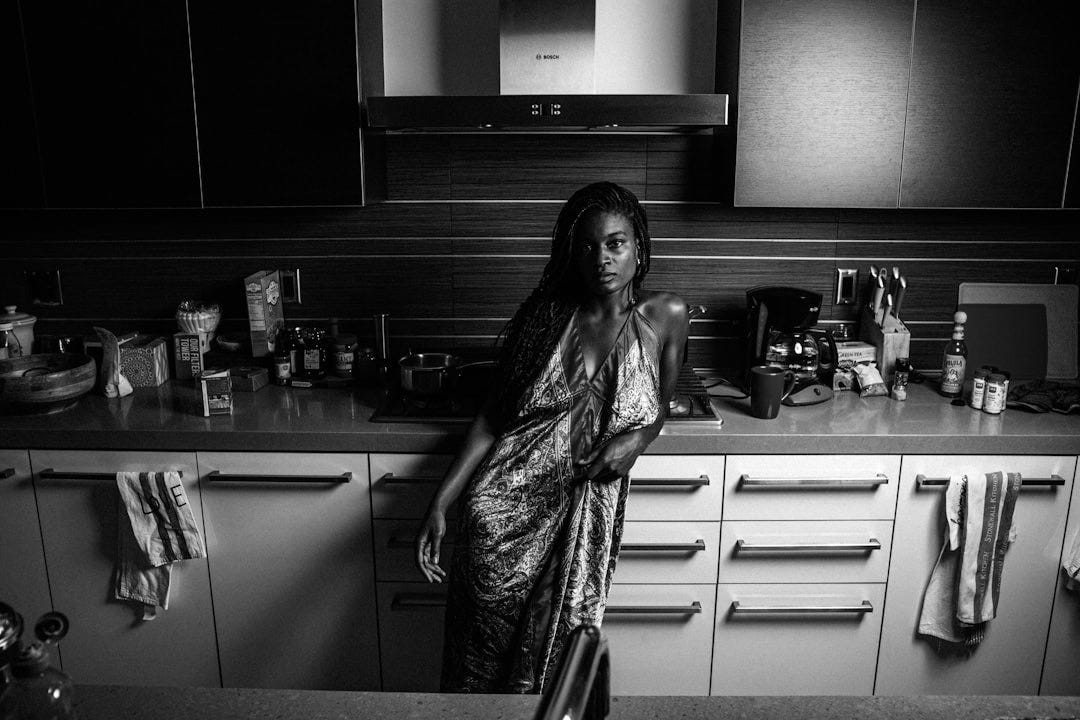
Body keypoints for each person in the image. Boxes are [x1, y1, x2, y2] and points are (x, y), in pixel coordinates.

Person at [414, 181, 689, 693]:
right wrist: (440, 503)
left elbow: (658, 410)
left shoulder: (666, 317)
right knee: (479, 668)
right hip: (501, 518)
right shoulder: (546, 321)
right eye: (587, 246)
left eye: (615, 243)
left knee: (559, 668)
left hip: (583, 522)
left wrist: (640, 440)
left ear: (639, 247)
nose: (602, 258)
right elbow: (492, 420)